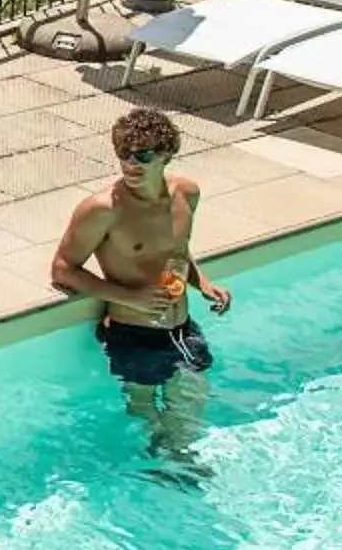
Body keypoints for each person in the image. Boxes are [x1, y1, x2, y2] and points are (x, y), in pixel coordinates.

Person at [50, 106, 230, 464]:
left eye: (143, 156)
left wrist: (202, 282)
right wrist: (132, 298)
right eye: (123, 155)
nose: (131, 164)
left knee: (192, 404)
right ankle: (157, 467)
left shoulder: (186, 194)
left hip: (182, 328)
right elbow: (63, 270)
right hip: (132, 333)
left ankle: (177, 461)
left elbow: (177, 251)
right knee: (145, 412)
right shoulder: (102, 210)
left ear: (166, 155)